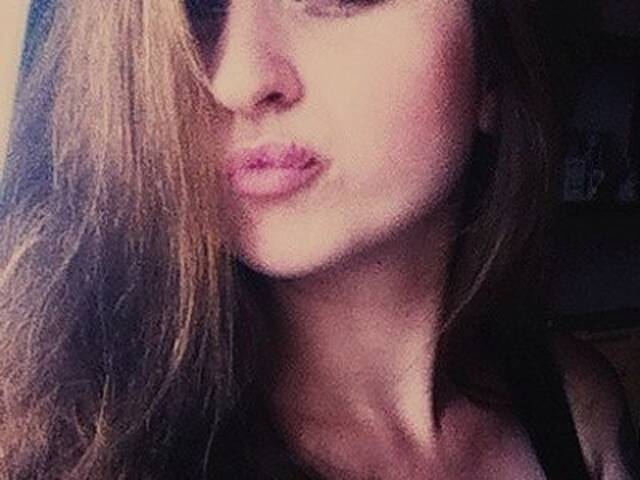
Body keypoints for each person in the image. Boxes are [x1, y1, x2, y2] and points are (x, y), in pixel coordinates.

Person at [0, 0, 637, 478]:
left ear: (492, 65)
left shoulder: (574, 409)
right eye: (198, 7)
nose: (238, 80)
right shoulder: (75, 446)